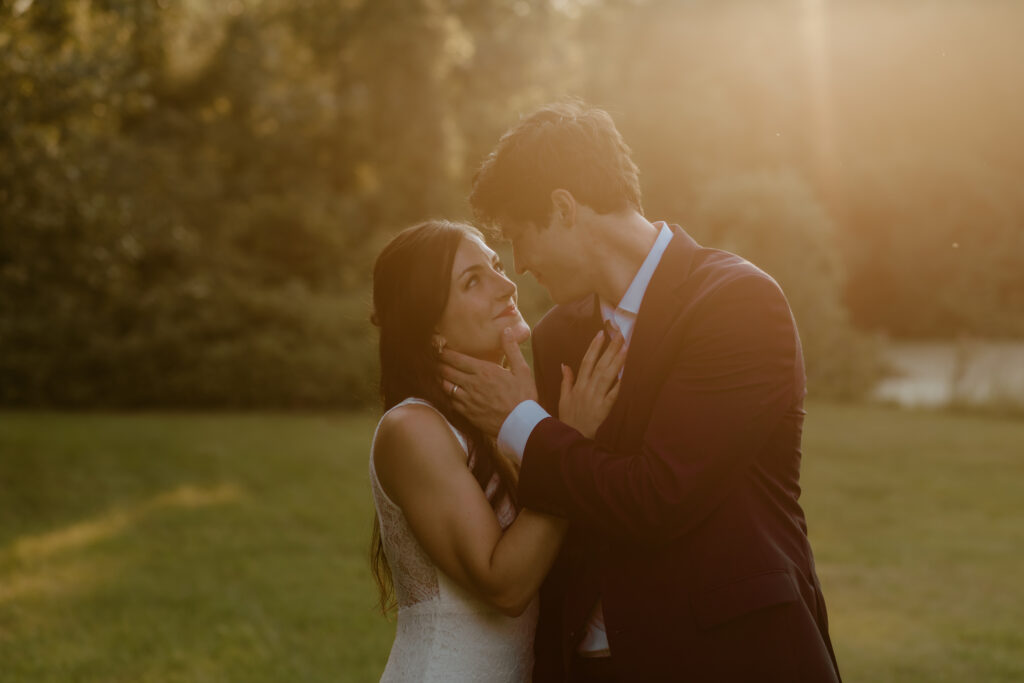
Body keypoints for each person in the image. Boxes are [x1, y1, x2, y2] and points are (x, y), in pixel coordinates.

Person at [439, 101, 842, 682]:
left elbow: (660, 497)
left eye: (520, 238)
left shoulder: (736, 303)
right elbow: (566, 497)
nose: (519, 266)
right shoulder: (557, 336)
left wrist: (522, 422)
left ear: (562, 207)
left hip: (731, 658)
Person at [368, 219, 626, 682]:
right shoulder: (413, 429)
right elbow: (505, 585)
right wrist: (567, 440)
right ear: (430, 330)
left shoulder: (502, 417)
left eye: (494, 265)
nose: (507, 284)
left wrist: (534, 427)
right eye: (473, 281)